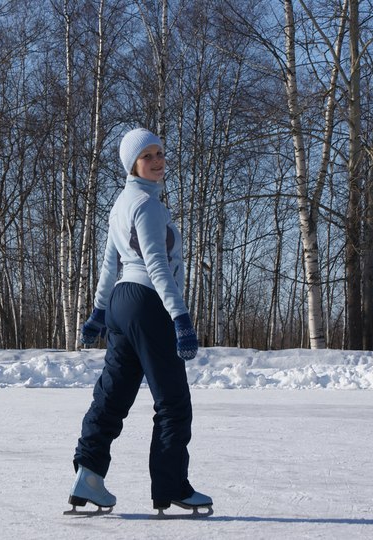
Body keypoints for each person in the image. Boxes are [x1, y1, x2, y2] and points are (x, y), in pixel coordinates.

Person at [67, 127, 212, 516]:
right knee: (173, 403)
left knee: (112, 397)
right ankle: (171, 486)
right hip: (148, 303)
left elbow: (109, 265)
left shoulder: (121, 203)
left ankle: (89, 474)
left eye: (160, 153)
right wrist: (179, 316)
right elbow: (157, 265)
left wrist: (99, 312)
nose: (158, 161)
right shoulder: (146, 207)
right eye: (148, 156)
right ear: (132, 163)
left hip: (122, 304)